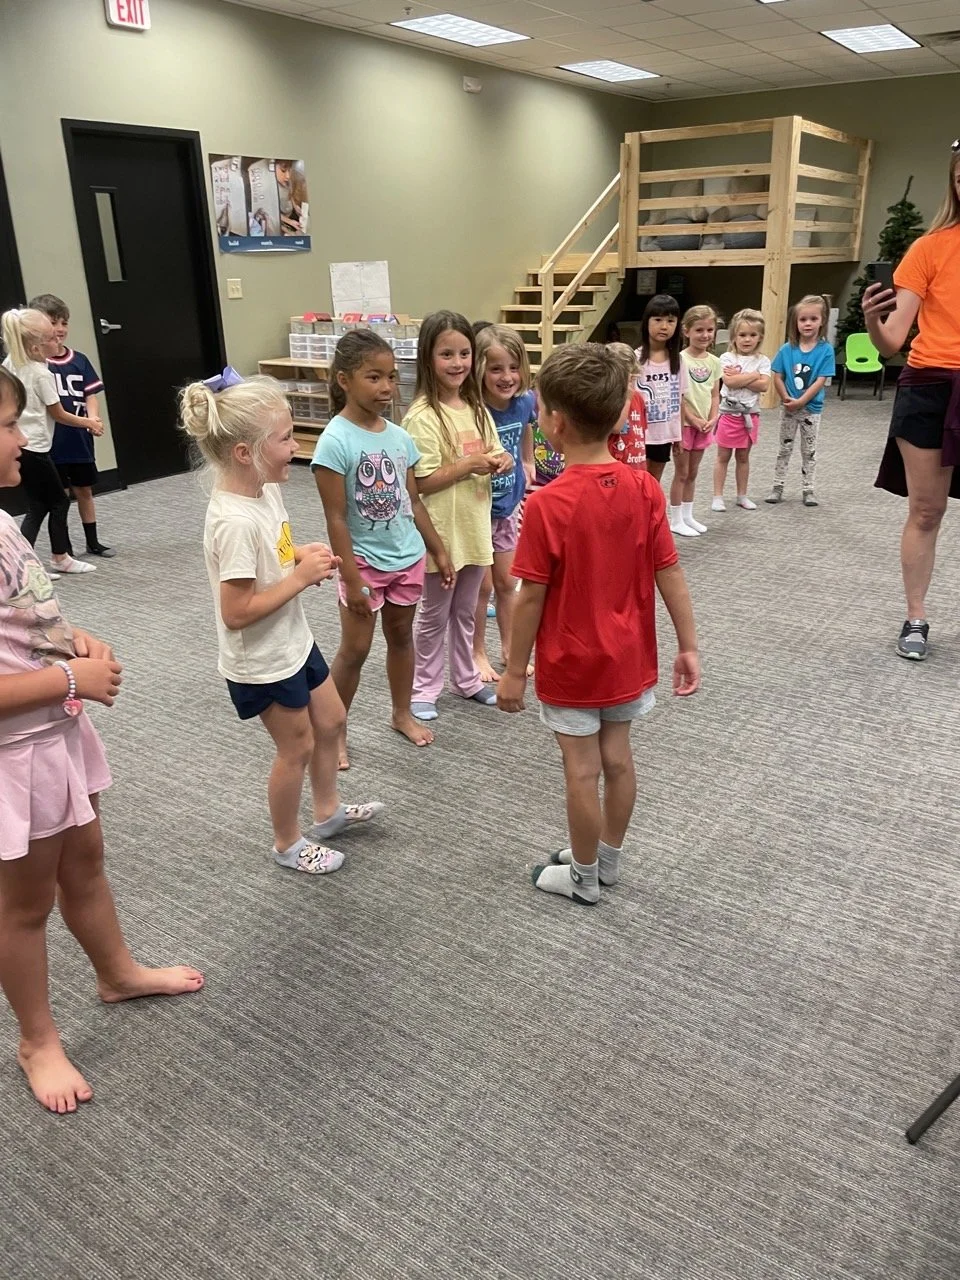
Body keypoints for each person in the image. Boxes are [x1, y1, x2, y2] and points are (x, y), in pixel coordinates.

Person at [0, 365, 203, 1114]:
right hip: (14, 757)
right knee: (23, 906)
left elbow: (25, 620)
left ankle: (116, 972)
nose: (22, 439)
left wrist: (73, 641)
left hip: (54, 734)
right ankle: (37, 1039)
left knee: (86, 861)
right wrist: (67, 678)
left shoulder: (1, 525)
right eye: (7, 426)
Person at [497, 344, 700, 906]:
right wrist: (689, 645)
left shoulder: (547, 505)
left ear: (555, 423)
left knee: (581, 772)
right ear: (619, 416)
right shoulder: (644, 487)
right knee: (619, 760)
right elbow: (670, 571)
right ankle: (605, 859)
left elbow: (530, 598)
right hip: (629, 658)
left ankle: (583, 878)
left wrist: (513, 671)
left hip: (571, 664)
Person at [180, 368, 382, 875]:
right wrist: (298, 579)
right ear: (244, 452)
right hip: (262, 659)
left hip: (292, 638)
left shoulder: (264, 490)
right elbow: (235, 612)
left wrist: (298, 558)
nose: (296, 447)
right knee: (297, 747)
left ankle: (328, 811)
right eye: (286, 438)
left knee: (331, 719)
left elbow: (274, 555)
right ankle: (287, 843)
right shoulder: (233, 521)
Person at [312, 330, 454, 768]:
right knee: (354, 651)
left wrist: (438, 550)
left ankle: (401, 713)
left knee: (401, 638)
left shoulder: (398, 437)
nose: (387, 387)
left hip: (406, 557)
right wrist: (351, 578)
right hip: (363, 563)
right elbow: (336, 518)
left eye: (391, 377)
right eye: (373, 377)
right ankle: (333, 732)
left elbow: (413, 502)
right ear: (344, 380)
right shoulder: (335, 441)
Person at [867, 140, 960, 661]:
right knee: (926, 509)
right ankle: (916, 617)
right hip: (929, 384)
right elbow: (891, 341)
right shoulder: (929, 248)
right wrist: (873, 320)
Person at [402, 311, 511, 722]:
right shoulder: (422, 416)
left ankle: (466, 679)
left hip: (474, 528)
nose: (457, 363)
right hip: (441, 535)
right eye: (446, 354)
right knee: (434, 615)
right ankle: (423, 688)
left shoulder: (476, 407)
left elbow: (494, 450)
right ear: (428, 357)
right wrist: (470, 465)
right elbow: (421, 482)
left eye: (464, 353)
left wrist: (499, 461)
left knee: (466, 611)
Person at [1, 308, 103, 577]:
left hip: (24, 446)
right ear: (36, 347)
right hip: (34, 448)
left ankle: (27, 563)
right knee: (58, 501)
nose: (58, 339)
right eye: (51, 338)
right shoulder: (40, 373)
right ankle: (59, 558)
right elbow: (58, 414)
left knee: (39, 504)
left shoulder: (11, 363)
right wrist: (89, 423)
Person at [472, 324, 536, 683]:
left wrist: (527, 461)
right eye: (496, 369)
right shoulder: (473, 409)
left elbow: (527, 427)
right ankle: (476, 652)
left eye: (513, 367)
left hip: (507, 506)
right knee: (480, 589)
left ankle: (511, 648)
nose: (507, 377)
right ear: (481, 370)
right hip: (477, 508)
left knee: (508, 583)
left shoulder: (524, 401)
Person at [29, 293, 114, 557]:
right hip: (52, 441)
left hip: (79, 439)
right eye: (53, 323)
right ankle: (63, 548)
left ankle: (93, 541)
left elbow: (91, 394)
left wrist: (93, 420)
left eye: (64, 323)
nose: (60, 329)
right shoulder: (38, 366)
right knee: (60, 496)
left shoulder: (79, 360)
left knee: (84, 490)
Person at [766, 294, 835, 508]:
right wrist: (785, 397)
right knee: (784, 449)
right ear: (795, 322)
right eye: (803, 319)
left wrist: (802, 401)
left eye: (813, 319)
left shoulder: (825, 350)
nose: (808, 324)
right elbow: (777, 376)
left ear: (822, 321)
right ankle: (778, 486)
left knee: (809, 451)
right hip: (789, 409)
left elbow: (820, 381)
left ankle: (808, 489)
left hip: (811, 410)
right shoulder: (787, 349)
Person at [712, 308, 770, 512]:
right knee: (723, 456)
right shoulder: (727, 357)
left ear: (760, 337)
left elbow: (764, 385)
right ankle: (717, 496)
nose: (747, 339)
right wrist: (754, 375)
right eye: (742, 335)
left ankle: (742, 495)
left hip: (750, 416)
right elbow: (729, 382)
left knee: (743, 457)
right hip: (729, 415)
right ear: (734, 336)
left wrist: (742, 378)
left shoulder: (763, 360)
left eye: (752, 335)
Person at [676, 305, 722, 535]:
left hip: (704, 425)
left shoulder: (714, 362)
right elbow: (678, 396)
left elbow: (714, 394)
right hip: (685, 424)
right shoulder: (679, 360)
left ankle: (688, 515)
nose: (705, 335)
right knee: (681, 472)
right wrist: (692, 418)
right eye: (699, 330)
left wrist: (713, 418)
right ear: (687, 331)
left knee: (693, 473)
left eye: (709, 330)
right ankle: (676, 519)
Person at [635, 293, 689, 488]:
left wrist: (678, 435)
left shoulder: (678, 361)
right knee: (636, 481)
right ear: (647, 322)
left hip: (663, 435)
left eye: (670, 321)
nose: (664, 326)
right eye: (658, 320)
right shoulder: (634, 359)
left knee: (653, 483)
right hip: (639, 434)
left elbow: (680, 400)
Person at [606, 342, 647, 472]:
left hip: (637, 463)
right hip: (616, 465)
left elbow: (642, 431)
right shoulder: (607, 397)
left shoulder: (638, 398)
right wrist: (627, 398)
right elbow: (615, 427)